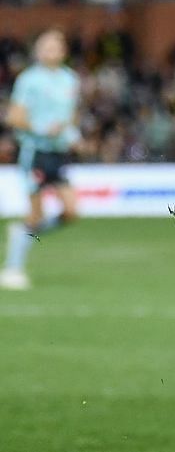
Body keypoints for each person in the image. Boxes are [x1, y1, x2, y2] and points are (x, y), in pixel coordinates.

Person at [3, 31, 83, 292]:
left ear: (63, 51)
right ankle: (13, 268)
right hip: (34, 150)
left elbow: (69, 117)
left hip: (57, 152)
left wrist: (73, 135)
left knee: (71, 211)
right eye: (45, 47)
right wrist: (40, 128)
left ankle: (21, 234)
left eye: (55, 47)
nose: (50, 51)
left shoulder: (70, 79)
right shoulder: (29, 80)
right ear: (38, 51)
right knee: (36, 214)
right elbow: (14, 117)